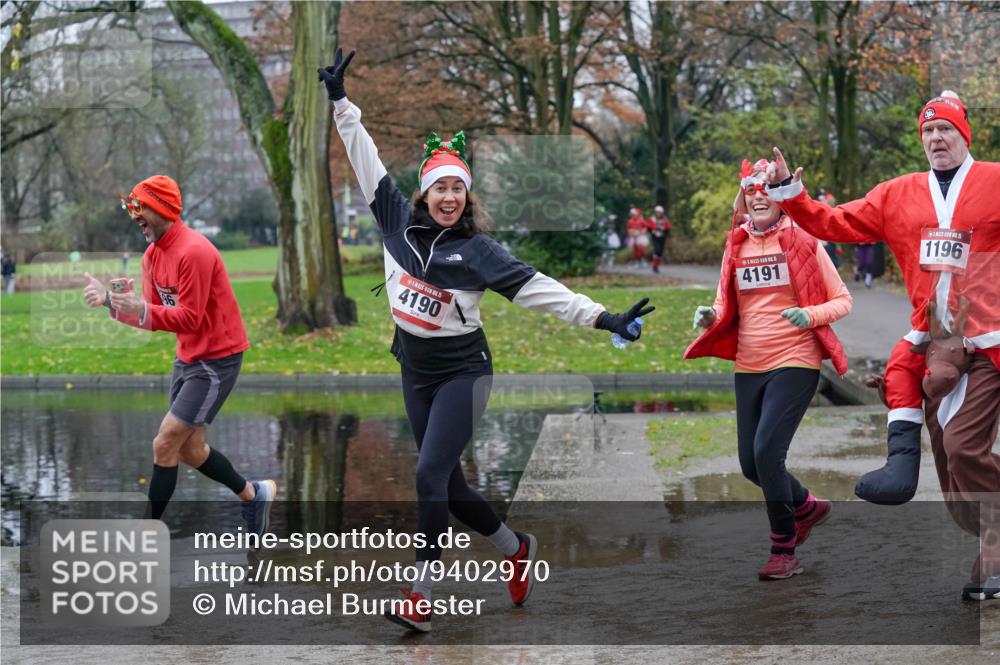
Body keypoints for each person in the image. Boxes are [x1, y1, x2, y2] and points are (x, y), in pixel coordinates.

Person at [320, 48, 655, 631]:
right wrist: (341, 103)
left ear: (466, 196)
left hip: (463, 373)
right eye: (439, 188)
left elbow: (543, 290)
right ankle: (515, 549)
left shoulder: (478, 252)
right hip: (414, 369)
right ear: (423, 193)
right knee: (446, 486)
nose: (449, 197)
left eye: (458, 189)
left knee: (427, 477)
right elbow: (363, 157)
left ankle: (420, 594)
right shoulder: (395, 220)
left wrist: (606, 317)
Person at [764, 90, 1000, 600]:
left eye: (946, 130)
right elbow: (836, 223)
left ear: (965, 135)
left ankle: (997, 548)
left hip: (988, 344)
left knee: (963, 445)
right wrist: (788, 191)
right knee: (950, 464)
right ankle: (989, 535)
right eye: (929, 132)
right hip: (934, 346)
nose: (937, 138)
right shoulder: (898, 194)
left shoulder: (996, 181)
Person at [685, 158, 852, 581]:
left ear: (779, 199)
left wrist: (809, 316)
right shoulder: (735, 245)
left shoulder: (805, 242)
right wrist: (710, 315)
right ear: (743, 198)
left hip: (795, 360)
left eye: (766, 189)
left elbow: (843, 300)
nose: (759, 196)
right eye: (751, 189)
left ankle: (784, 550)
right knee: (749, 464)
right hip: (749, 363)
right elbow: (727, 304)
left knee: (767, 454)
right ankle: (807, 507)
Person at [81, 175, 276, 534]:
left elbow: (189, 317)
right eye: (133, 211)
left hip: (218, 358)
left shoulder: (195, 251)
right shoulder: (152, 256)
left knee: (166, 441)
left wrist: (141, 307)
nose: (135, 218)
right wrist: (110, 302)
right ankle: (254, 494)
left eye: (141, 210)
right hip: (188, 357)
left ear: (162, 208)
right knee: (190, 450)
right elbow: (155, 316)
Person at [647, 205, 672, 273]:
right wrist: (653, 230)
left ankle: (656, 266)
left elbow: (668, 228)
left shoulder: (665, 220)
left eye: (660, 212)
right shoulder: (652, 219)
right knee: (657, 250)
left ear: (662, 213)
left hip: (662, 237)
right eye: (657, 212)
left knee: (660, 252)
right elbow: (648, 228)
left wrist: (663, 229)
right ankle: (654, 266)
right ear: (655, 212)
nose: (659, 214)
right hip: (655, 236)